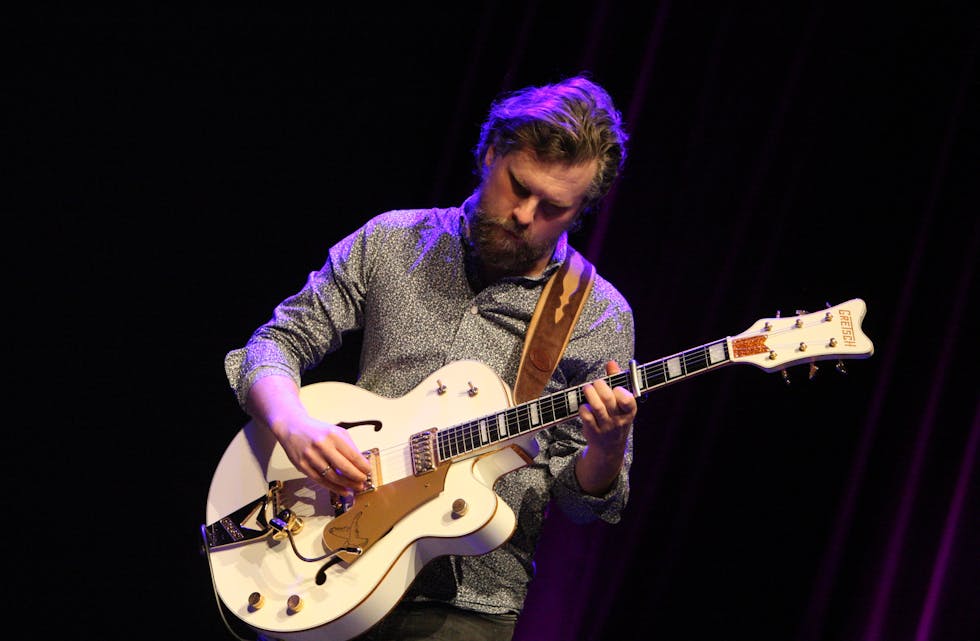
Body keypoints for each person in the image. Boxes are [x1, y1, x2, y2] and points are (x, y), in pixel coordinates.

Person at [223, 74, 638, 641]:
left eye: (553, 208)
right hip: (323, 557)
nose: (525, 215)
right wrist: (292, 424)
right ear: (491, 153)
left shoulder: (598, 315)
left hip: (465, 604)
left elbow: (583, 503)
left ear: (580, 211)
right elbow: (275, 344)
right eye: (519, 186)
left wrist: (607, 445)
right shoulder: (392, 241)